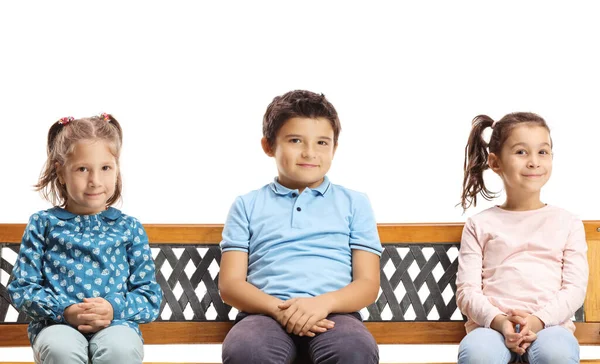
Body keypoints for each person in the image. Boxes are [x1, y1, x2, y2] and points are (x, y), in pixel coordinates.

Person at [219, 90, 382, 364]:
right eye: (295, 140)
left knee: (354, 351)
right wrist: (280, 310)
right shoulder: (247, 205)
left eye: (321, 142)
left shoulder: (355, 203)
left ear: (335, 148)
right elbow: (231, 284)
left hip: (334, 315)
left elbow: (367, 284)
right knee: (246, 350)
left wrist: (322, 304)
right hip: (264, 315)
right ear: (268, 146)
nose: (310, 152)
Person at [8, 114, 162, 364]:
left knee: (120, 350)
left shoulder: (129, 228)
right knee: (61, 349)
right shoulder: (43, 225)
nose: (95, 181)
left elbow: (149, 296)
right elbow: (22, 288)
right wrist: (63, 311)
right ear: (60, 172)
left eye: (105, 168)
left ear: (116, 170)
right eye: (82, 169)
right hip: (56, 325)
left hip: (117, 324)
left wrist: (114, 309)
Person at [456, 112, 588, 364]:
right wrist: (501, 322)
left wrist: (536, 321)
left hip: (550, 326)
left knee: (557, 354)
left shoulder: (568, 223)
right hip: (491, 328)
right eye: (521, 152)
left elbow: (574, 288)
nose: (534, 162)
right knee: (478, 354)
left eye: (542, 152)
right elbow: (467, 291)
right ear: (495, 163)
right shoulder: (479, 224)